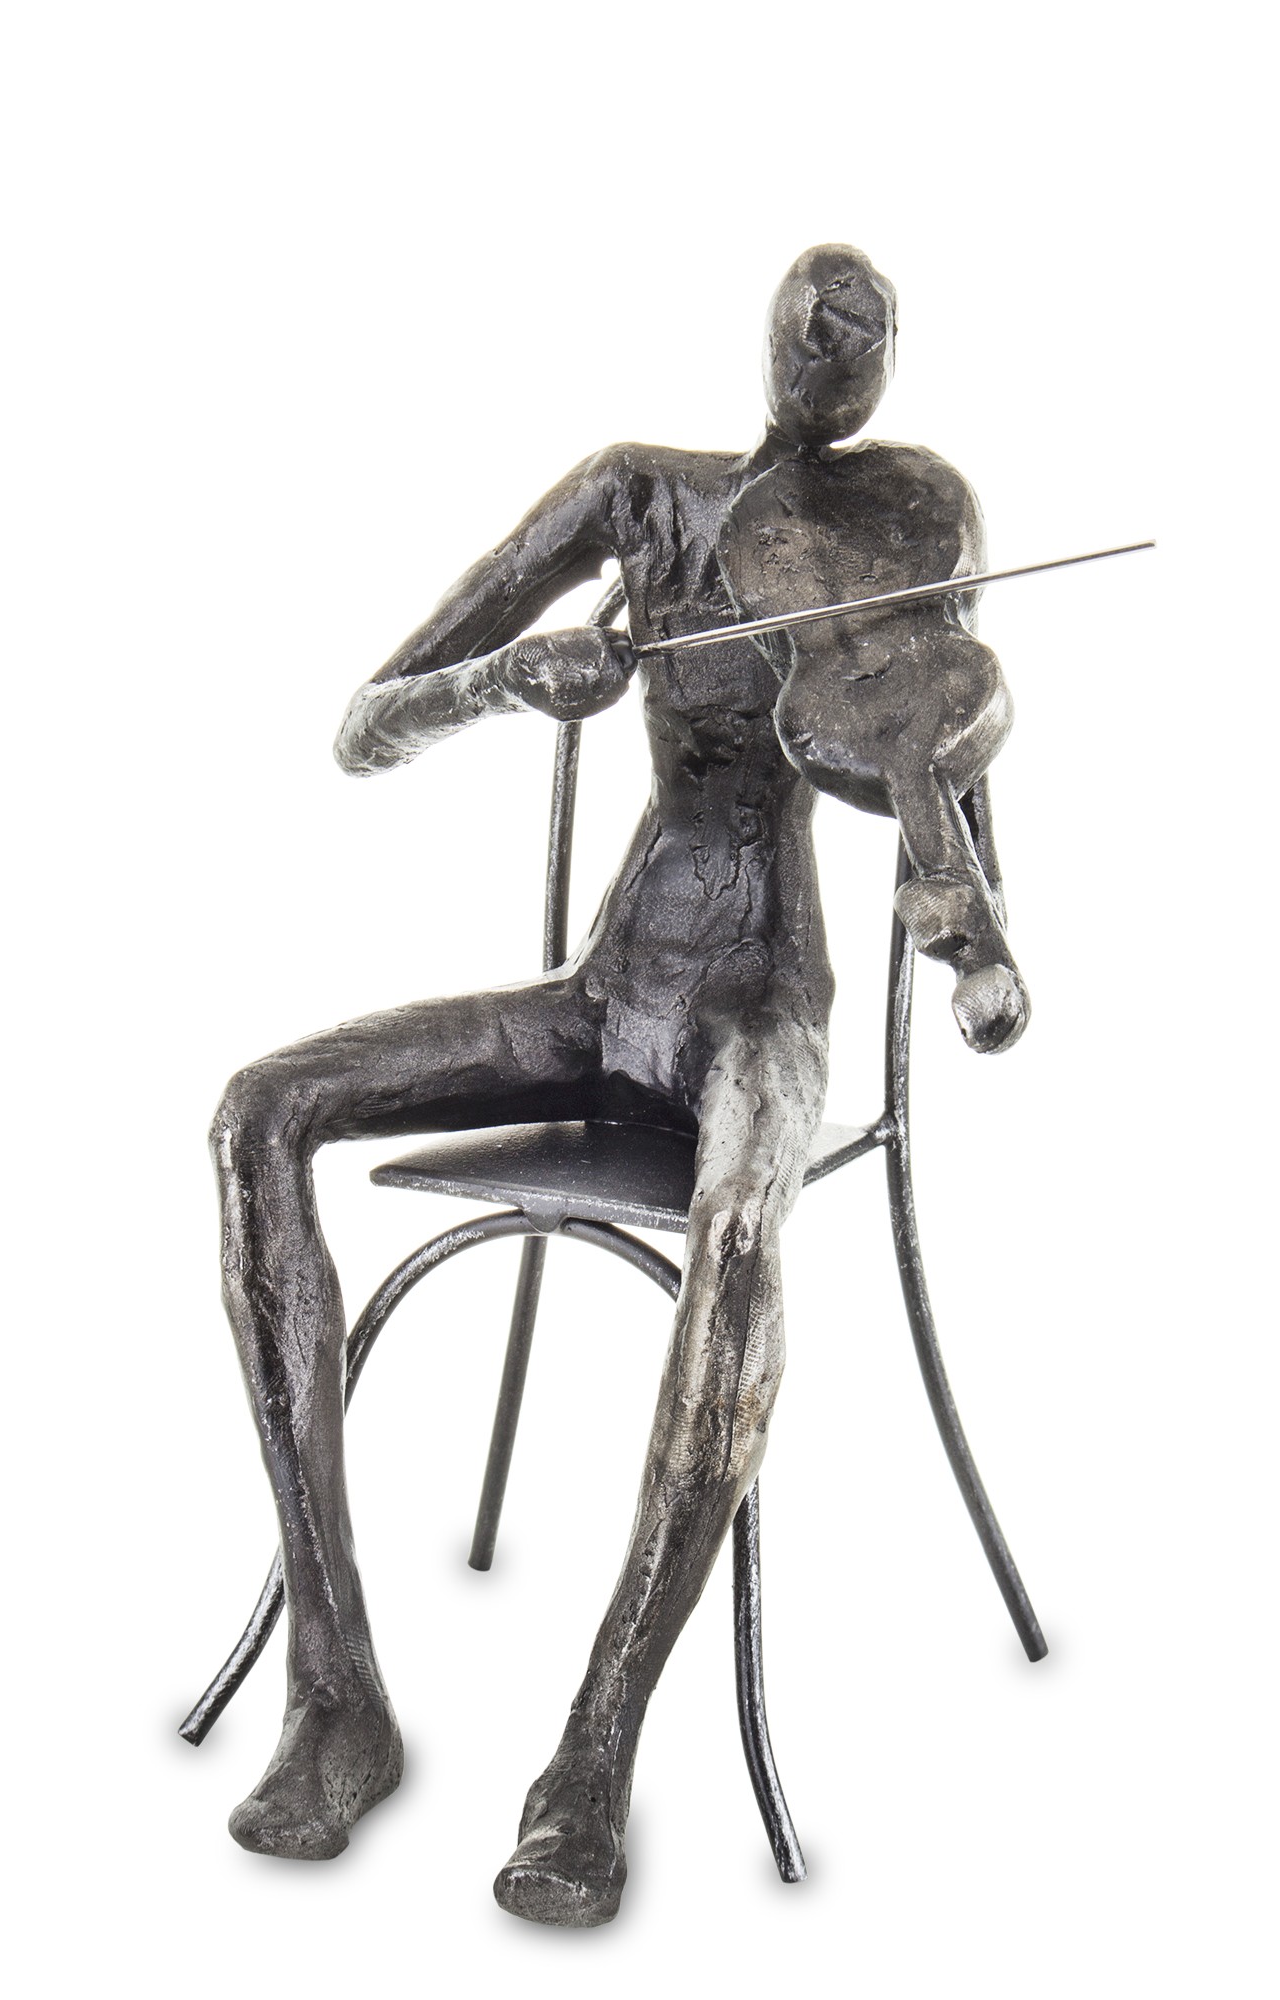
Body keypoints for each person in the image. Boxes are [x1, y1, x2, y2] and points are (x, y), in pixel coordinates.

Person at [210, 243, 1027, 1926]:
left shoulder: (907, 527)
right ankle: (334, 1689)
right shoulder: (638, 495)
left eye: (866, 333)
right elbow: (367, 722)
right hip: (606, 997)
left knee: (742, 1231)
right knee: (258, 1110)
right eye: (814, 324)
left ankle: (590, 1755)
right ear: (769, 339)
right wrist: (506, 680)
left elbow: (938, 754)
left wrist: (968, 923)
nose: (835, 348)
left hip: (761, 1009)